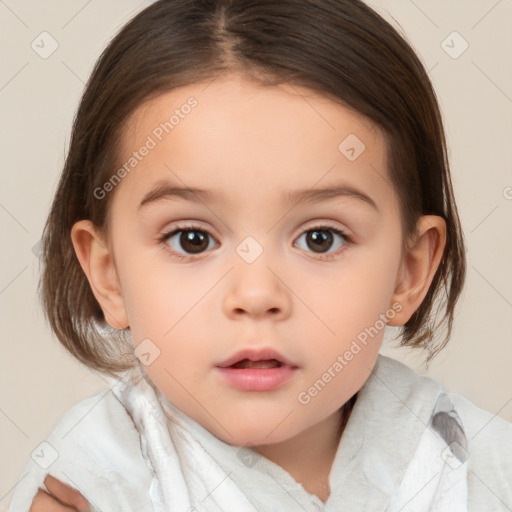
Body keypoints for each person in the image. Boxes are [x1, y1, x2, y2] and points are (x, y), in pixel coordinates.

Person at [9, 0, 511, 510]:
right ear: (108, 274)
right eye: (192, 239)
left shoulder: (483, 471)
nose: (255, 295)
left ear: (409, 272)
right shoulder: (87, 484)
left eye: (321, 238)